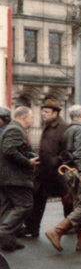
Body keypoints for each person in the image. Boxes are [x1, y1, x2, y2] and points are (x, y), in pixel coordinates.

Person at [44, 105, 81, 252]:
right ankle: (57, 231)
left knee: (79, 204)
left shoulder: (68, 130)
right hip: (80, 171)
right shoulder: (80, 130)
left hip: (71, 172)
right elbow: (80, 153)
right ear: (80, 114)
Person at [22, 97, 68, 238]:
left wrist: (55, 161)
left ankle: (73, 228)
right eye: (43, 111)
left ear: (56, 113)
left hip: (56, 172)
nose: (43, 114)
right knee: (37, 200)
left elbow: (68, 151)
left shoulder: (64, 127)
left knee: (67, 200)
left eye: (47, 111)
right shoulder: (48, 125)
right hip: (43, 171)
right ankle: (32, 228)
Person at [0, 107, 40, 252]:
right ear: (24, 117)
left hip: (6, 177)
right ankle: (4, 232)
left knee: (7, 207)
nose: (32, 120)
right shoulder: (15, 130)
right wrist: (28, 162)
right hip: (14, 177)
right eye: (31, 117)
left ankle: (8, 242)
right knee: (25, 205)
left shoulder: (11, 128)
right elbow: (10, 150)